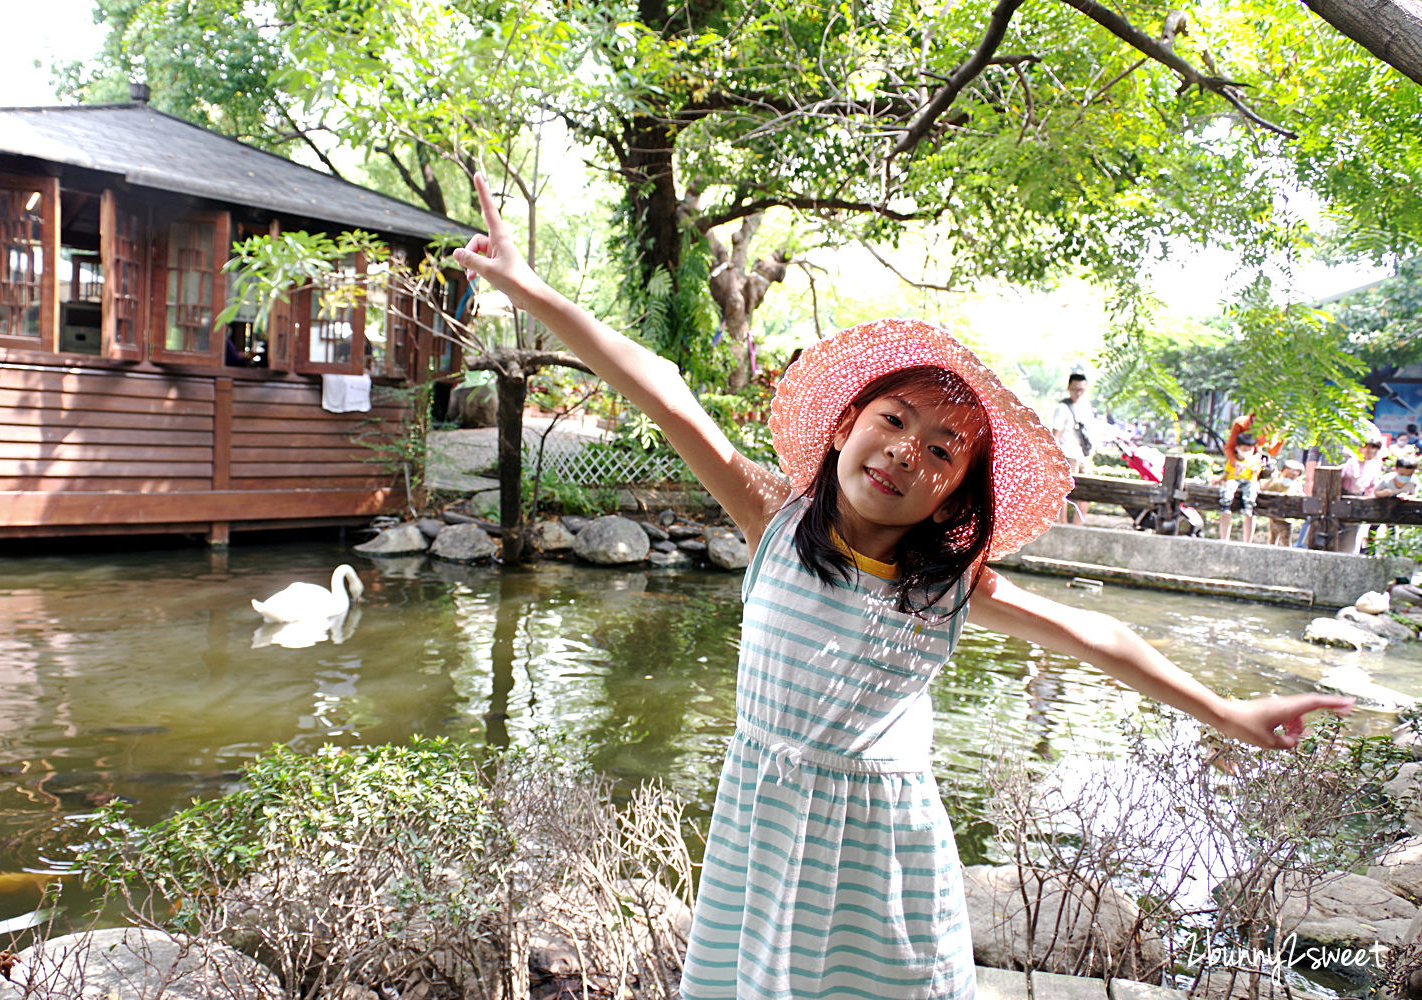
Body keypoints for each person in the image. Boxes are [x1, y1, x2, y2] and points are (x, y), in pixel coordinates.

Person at [452, 172, 1353, 1000]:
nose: (903, 451)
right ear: (847, 424)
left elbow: (1098, 637)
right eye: (893, 420)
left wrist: (1227, 713)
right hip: (764, 830)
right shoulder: (772, 519)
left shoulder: (950, 589)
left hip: (883, 853)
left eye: (940, 450)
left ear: (956, 491)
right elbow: (663, 390)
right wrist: (531, 290)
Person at [1051, 373, 1095, 523]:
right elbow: (1056, 434)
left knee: (1088, 491)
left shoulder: (1086, 407)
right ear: (1069, 388)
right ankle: (1063, 524)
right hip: (1067, 455)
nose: (1078, 393)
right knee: (1064, 493)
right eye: (1075, 389)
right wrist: (1055, 458)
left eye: (1081, 390)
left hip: (1082, 456)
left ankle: (1078, 525)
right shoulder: (1062, 408)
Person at [1338, 435, 1386, 554]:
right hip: (1341, 500)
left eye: (1374, 448)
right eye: (1366, 447)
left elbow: (1372, 487)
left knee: (1352, 539)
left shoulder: (1374, 466)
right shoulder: (1350, 463)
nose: (1370, 451)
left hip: (1359, 503)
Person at [1217, 433, 1263, 543]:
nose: (1246, 451)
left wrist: (1255, 470)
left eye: (1249, 449)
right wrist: (1218, 480)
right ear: (1237, 448)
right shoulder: (1233, 460)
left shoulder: (1254, 460)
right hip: (1233, 480)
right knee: (1229, 486)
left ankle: (1248, 506)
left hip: (1249, 481)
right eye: (1244, 449)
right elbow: (1225, 473)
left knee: (1251, 489)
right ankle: (1226, 504)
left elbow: (1257, 472)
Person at [1262, 460, 1305, 546]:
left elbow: (1301, 496)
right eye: (1287, 476)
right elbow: (1264, 490)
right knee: (1273, 538)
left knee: (1285, 539)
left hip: (1287, 518)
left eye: (1293, 477)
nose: (1289, 478)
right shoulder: (1277, 483)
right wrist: (1272, 479)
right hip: (1274, 516)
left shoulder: (1296, 485)